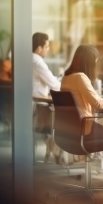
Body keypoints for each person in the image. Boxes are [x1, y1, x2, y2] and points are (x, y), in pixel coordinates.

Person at [61, 45, 103, 147]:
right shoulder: (80, 77)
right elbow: (98, 103)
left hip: (71, 129)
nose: (96, 64)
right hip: (85, 128)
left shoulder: (66, 77)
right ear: (89, 63)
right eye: (95, 61)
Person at [32, 32, 61, 162]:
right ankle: (57, 149)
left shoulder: (25, 59)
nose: (48, 49)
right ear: (39, 48)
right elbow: (55, 85)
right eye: (47, 47)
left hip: (31, 105)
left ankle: (54, 150)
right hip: (37, 108)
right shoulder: (38, 62)